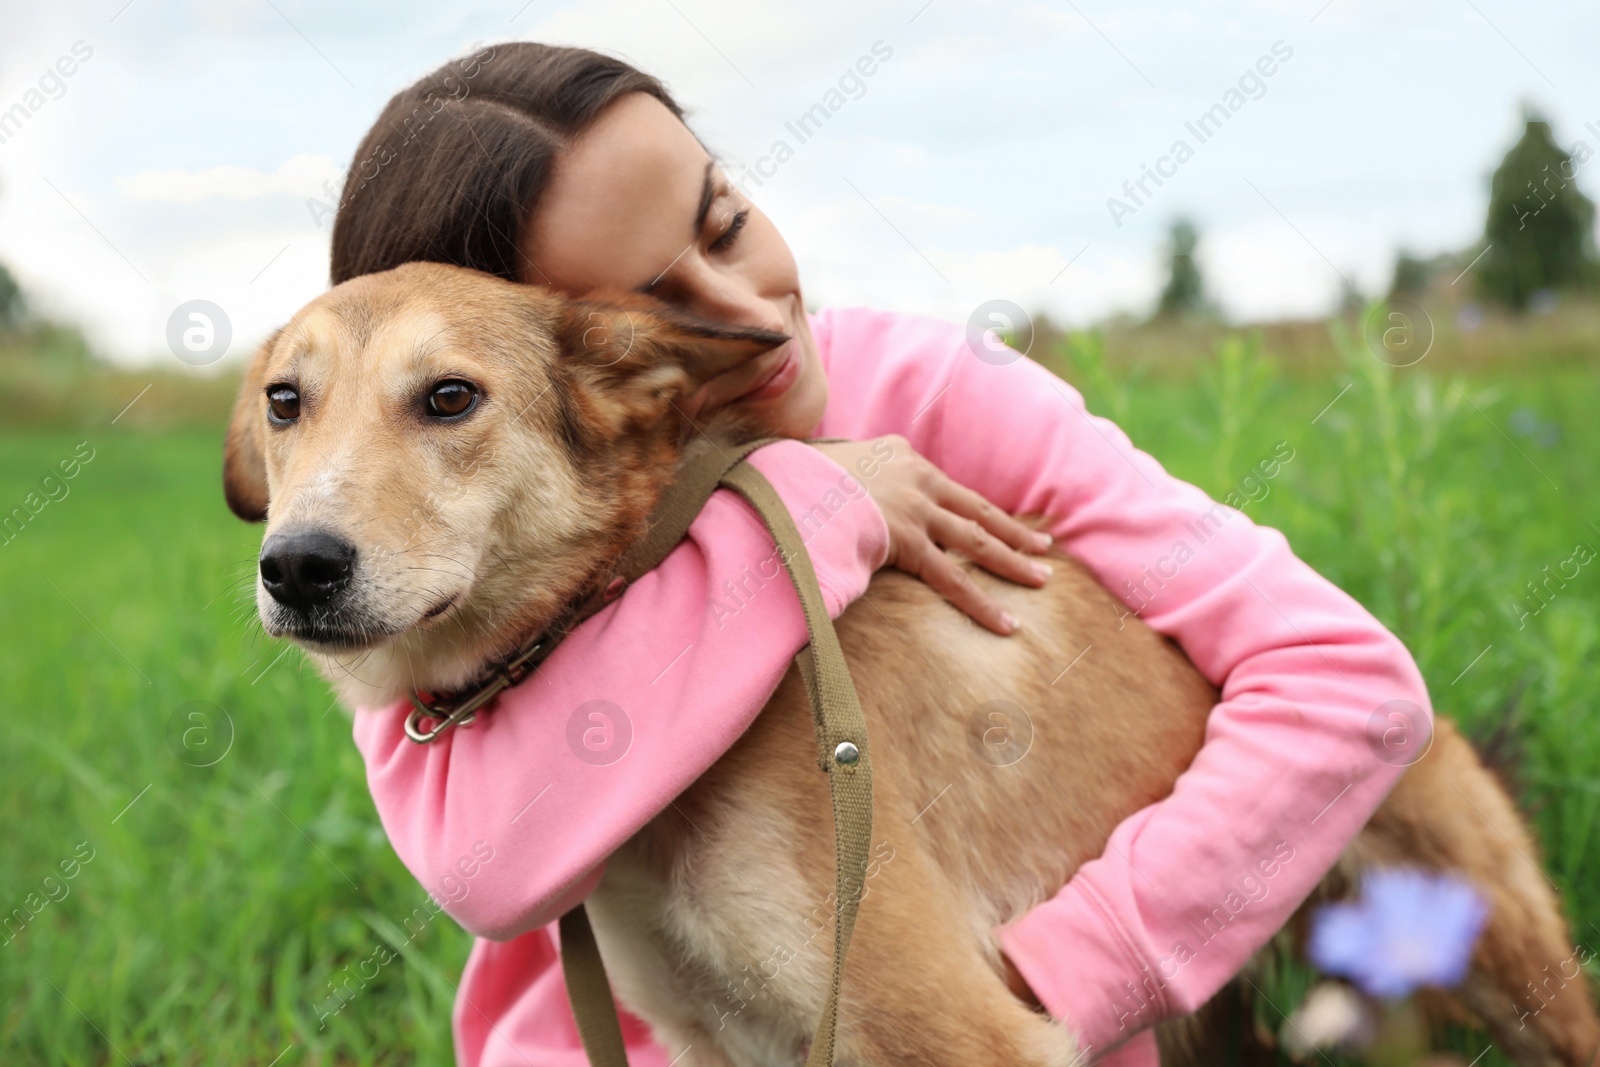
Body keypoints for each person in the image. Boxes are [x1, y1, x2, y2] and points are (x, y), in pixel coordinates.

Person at [330, 42, 1432, 1066]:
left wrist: (1068, 968)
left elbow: (1344, 679)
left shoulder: (926, 392)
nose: (750, 317)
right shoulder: (435, 563)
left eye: (724, 225)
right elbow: (485, 861)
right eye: (647, 309)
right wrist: (812, 504)